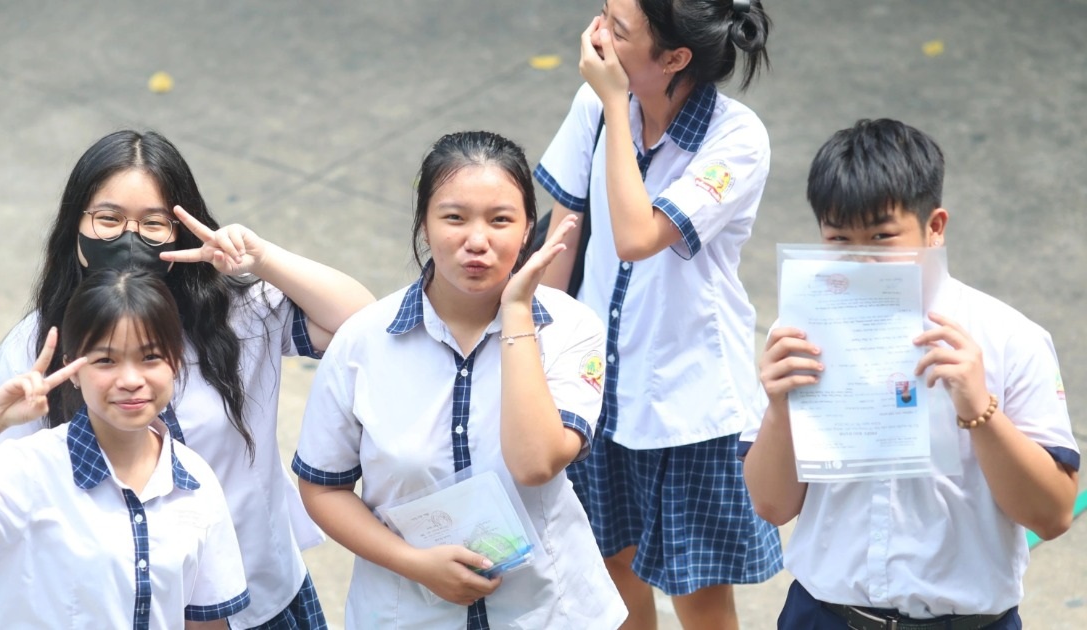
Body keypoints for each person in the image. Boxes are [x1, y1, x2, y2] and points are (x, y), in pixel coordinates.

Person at [0, 130, 375, 629]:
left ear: (181, 231)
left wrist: (263, 259)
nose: (129, 239)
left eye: (153, 224)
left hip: (260, 598)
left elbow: (362, 325)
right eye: (108, 219)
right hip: (129, 612)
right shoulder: (33, 349)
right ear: (74, 227)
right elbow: (7, 507)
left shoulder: (234, 313)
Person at [740, 119, 1080, 629]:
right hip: (827, 615)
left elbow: (1051, 515)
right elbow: (771, 505)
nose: (862, 260)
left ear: (935, 227)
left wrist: (979, 410)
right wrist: (779, 408)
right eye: (839, 240)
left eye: (881, 236)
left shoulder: (1009, 338)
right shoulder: (799, 338)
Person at [292, 131, 628, 629]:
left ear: (528, 229)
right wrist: (415, 564)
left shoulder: (571, 329)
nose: (477, 241)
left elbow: (536, 463)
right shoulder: (363, 342)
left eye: (500, 220)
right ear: (424, 226)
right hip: (407, 614)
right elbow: (322, 487)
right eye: (454, 217)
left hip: (547, 611)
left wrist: (516, 314)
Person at [535, 1, 781, 627]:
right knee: (609, 571)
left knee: (697, 597)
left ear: (675, 58)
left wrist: (617, 107)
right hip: (595, 385)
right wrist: (541, 359)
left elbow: (637, 235)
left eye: (618, 31)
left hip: (686, 402)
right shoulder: (595, 105)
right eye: (602, 15)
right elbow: (565, 232)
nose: (595, 37)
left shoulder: (736, 138)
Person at [0, 269, 250, 629]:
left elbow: (205, 623)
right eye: (105, 361)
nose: (130, 380)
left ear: (174, 361)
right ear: (72, 370)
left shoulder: (195, 481)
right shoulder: (29, 469)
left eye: (150, 357)